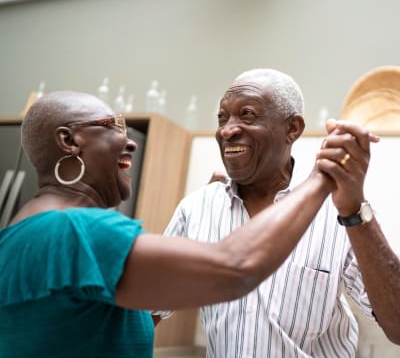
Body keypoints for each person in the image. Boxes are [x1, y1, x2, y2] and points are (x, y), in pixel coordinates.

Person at [0, 90, 358, 358]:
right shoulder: (80, 232)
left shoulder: (16, 237)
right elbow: (236, 268)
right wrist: (323, 178)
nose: (130, 142)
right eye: (113, 127)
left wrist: (211, 210)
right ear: (69, 141)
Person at [153, 68, 400, 357]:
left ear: (292, 129)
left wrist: (354, 210)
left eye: (247, 115)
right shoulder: (196, 209)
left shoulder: (339, 210)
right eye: (222, 117)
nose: (227, 130)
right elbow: (150, 310)